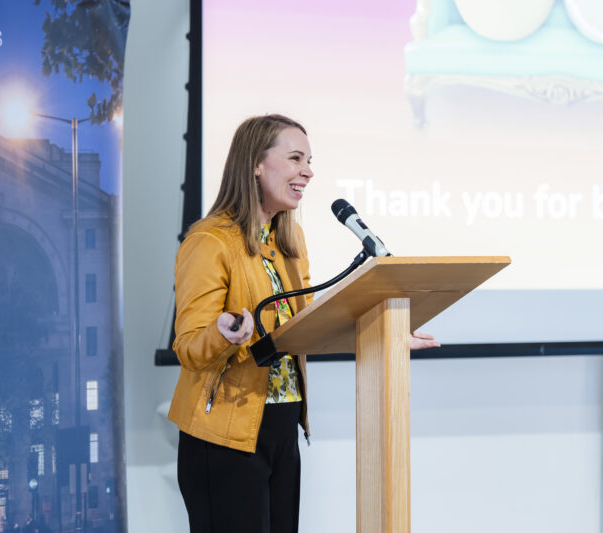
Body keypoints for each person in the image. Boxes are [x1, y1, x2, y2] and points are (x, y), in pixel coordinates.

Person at [169, 114, 439, 533]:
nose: (308, 172)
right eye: (296, 158)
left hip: (282, 427)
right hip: (225, 434)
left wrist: (387, 335)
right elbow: (188, 346)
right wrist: (221, 335)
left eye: (309, 161)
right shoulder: (209, 242)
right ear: (255, 163)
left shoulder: (289, 248)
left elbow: (312, 326)